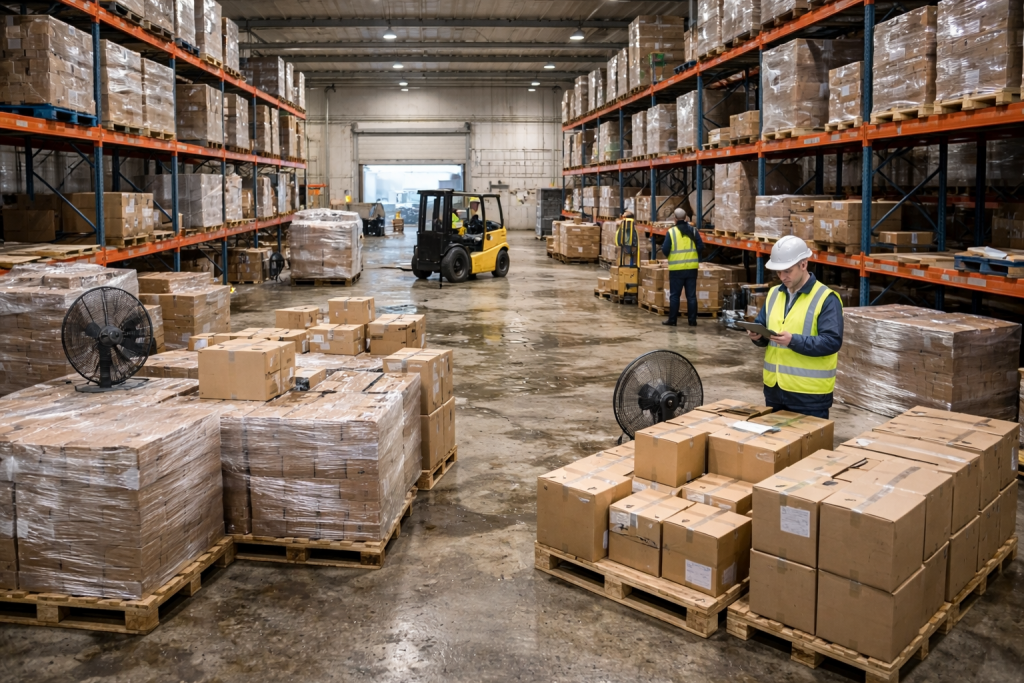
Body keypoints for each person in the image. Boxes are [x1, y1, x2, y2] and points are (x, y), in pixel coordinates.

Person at [747, 235, 844, 419]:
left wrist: (793, 341)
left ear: (804, 264)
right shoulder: (775, 293)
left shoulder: (826, 299)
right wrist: (758, 336)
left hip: (809, 396)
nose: (783, 277)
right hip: (775, 391)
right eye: (778, 272)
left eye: (787, 271)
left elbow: (832, 342)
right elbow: (763, 325)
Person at [662, 207, 702, 327]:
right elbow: (701, 246)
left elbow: (665, 249)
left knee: (675, 295)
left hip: (676, 269)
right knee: (691, 296)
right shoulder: (693, 231)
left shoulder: (671, 232)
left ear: (674, 219)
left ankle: (673, 320)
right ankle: (692, 321)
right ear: (686, 218)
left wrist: (672, 257)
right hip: (691, 268)